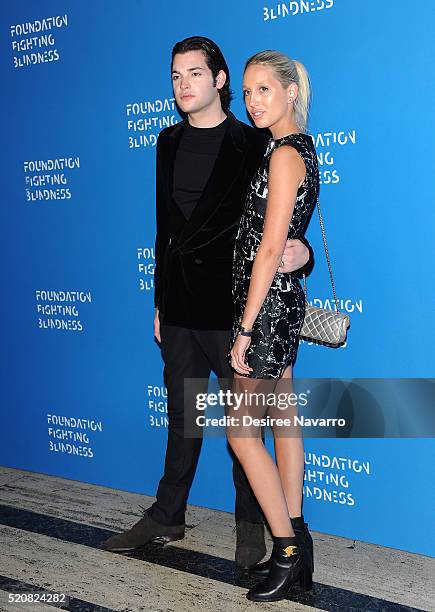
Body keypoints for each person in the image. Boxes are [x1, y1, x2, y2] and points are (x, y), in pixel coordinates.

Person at [102, 37, 313, 568]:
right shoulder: (166, 142)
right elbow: (164, 228)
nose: (182, 85)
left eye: (194, 74)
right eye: (175, 76)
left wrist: (302, 253)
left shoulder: (255, 142)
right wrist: (159, 298)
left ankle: (253, 528)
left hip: (234, 306)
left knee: (250, 427)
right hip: (179, 306)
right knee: (184, 414)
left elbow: (282, 226)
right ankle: (167, 513)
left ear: (218, 81)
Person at [226, 50, 319, 601]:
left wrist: (244, 328)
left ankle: (284, 550)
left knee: (241, 433)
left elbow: (267, 251)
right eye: (249, 91)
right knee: (283, 421)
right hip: (279, 307)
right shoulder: (291, 148)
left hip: (265, 312)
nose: (255, 100)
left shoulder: (285, 156)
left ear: (290, 92)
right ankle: (298, 547)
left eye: (265, 89)